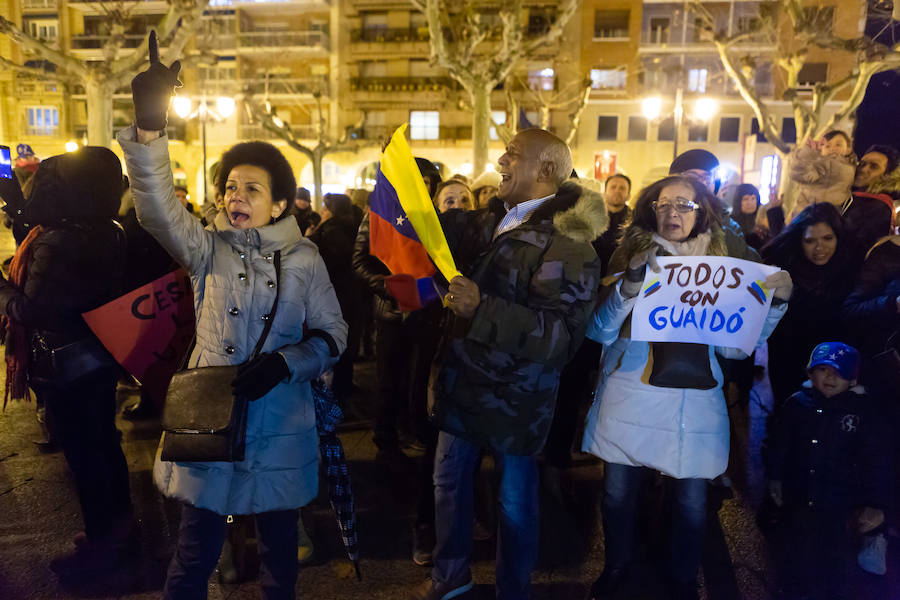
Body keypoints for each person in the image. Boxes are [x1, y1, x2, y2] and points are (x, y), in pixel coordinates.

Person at [120, 35, 347, 599]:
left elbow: (334, 334)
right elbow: (156, 209)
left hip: (281, 426)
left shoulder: (305, 258)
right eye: (229, 187)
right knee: (193, 555)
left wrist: (287, 363)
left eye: (251, 187)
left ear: (279, 204)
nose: (234, 195)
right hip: (209, 424)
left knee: (279, 563)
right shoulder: (207, 248)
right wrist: (150, 129)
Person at [411, 128, 606, 600]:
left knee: (514, 503)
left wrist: (480, 309)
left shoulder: (570, 245)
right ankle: (450, 578)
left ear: (544, 171)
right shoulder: (491, 221)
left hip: (517, 402)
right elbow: (429, 235)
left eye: (512, 155)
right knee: (447, 485)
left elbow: (559, 338)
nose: (499, 159)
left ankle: (512, 590)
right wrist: (401, 201)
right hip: (463, 387)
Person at [581, 175, 792, 600]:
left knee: (692, 505)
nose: (672, 213)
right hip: (630, 396)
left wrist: (776, 304)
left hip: (693, 406)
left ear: (702, 213)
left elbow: (736, 348)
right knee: (618, 496)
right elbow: (600, 331)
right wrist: (628, 287)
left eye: (683, 205)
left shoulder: (725, 271)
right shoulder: (633, 256)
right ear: (650, 211)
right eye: (663, 205)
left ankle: (680, 577)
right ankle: (618, 566)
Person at [0, 147, 133, 570]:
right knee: (105, 444)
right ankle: (120, 529)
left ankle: (103, 546)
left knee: (84, 454)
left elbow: (34, 309)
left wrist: (1, 290)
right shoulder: (107, 228)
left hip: (66, 362)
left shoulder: (59, 239)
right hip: (99, 353)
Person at [764, 342, 889, 598]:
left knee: (834, 552)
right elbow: (780, 444)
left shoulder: (862, 412)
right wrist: (774, 477)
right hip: (798, 493)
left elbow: (874, 458)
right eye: (823, 369)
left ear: (853, 379)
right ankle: (793, 586)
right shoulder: (797, 404)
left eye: (839, 371)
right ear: (810, 373)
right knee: (795, 546)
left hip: (839, 501)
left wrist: (875, 503)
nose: (830, 377)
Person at [761, 203, 861, 410]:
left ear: (838, 237)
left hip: (833, 360)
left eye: (827, 238)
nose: (819, 248)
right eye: (810, 240)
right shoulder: (782, 268)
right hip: (789, 355)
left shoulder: (853, 268)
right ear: (799, 241)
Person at [308, 192, 362, 400]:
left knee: (335, 343)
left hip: (336, 294)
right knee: (345, 343)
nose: (321, 212)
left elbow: (328, 263)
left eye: (325, 209)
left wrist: (311, 237)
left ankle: (337, 392)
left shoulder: (331, 232)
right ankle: (344, 385)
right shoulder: (352, 226)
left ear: (331, 212)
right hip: (349, 295)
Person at [788, 130, 856, 220]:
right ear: (821, 149)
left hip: (830, 218)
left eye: (838, 145)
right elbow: (799, 173)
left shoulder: (852, 167)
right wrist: (808, 152)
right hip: (807, 216)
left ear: (848, 149)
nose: (832, 148)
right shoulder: (820, 164)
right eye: (827, 146)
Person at [842, 144, 899, 253]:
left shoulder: (878, 207)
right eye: (862, 164)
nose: (863, 169)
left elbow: (852, 247)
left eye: (873, 167)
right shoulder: (853, 196)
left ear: (887, 176)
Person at [594, 173, 632, 276]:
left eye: (622, 188)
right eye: (613, 187)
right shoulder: (592, 217)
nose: (617, 191)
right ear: (604, 192)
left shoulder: (634, 221)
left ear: (628, 195)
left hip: (621, 277)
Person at [731, 183, 770, 252]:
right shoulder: (730, 222)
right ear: (738, 201)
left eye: (753, 198)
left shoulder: (764, 219)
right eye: (745, 199)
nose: (750, 203)